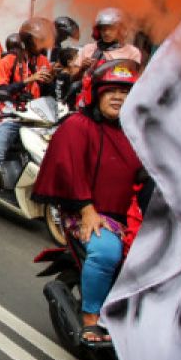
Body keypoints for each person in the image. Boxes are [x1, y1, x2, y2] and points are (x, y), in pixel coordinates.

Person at [33, 60, 144, 345]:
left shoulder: (139, 133)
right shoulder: (78, 126)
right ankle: (91, 317)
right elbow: (68, 171)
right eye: (112, 91)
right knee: (107, 252)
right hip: (88, 213)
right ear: (97, 93)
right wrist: (87, 210)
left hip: (134, 217)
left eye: (126, 92)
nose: (119, 97)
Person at [0, 18, 56, 222]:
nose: (42, 45)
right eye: (38, 41)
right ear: (28, 41)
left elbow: (47, 92)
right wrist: (27, 80)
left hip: (33, 117)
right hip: (9, 115)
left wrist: (53, 79)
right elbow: (0, 90)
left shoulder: (41, 62)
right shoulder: (8, 61)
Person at [71, 8, 143, 82]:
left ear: (120, 30)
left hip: (117, 91)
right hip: (90, 90)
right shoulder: (88, 48)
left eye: (111, 28)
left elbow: (135, 79)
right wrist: (82, 69)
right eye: (103, 29)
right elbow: (72, 78)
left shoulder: (132, 52)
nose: (107, 33)